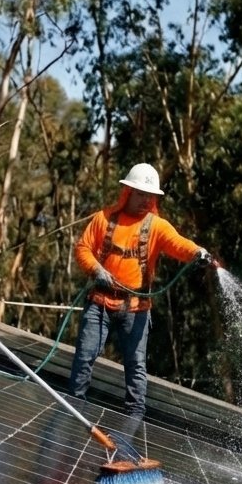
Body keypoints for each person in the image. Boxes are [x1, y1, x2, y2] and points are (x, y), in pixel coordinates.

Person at [69, 163, 213, 418]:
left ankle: (135, 418)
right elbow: (83, 248)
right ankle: (74, 408)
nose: (145, 200)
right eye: (140, 194)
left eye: (150, 195)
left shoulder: (156, 226)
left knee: (135, 366)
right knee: (85, 355)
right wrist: (96, 270)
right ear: (127, 192)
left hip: (136, 308)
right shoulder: (104, 218)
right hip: (100, 301)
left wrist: (197, 252)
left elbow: (179, 244)